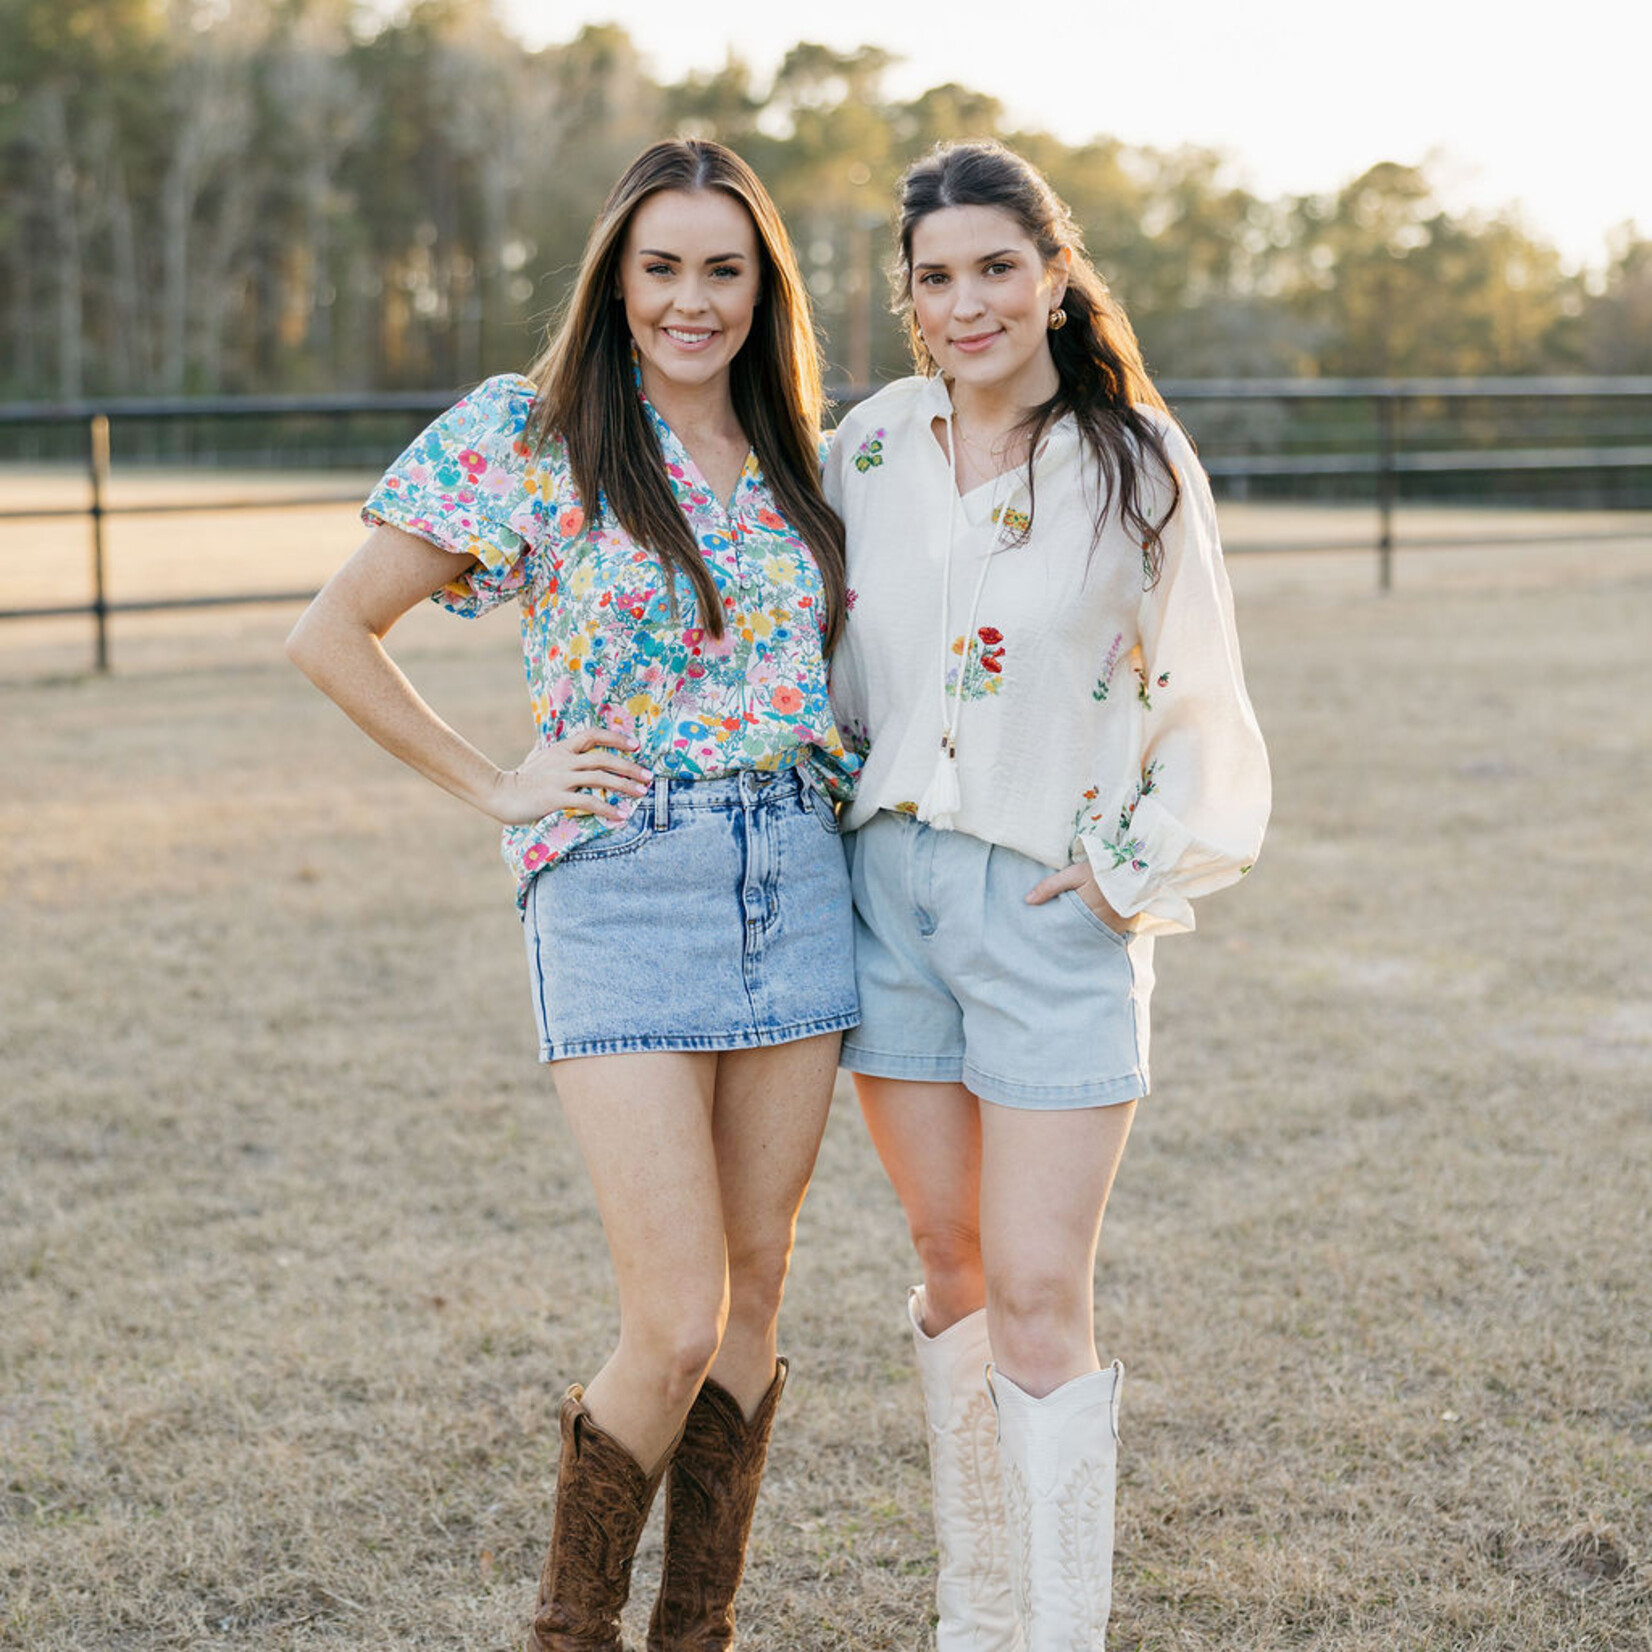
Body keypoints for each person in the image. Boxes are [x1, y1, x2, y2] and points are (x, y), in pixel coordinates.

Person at [286, 138, 858, 1652]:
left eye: (723, 270)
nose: (691, 300)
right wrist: (497, 782)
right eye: (660, 267)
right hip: (617, 882)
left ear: (763, 286)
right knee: (673, 1321)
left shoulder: (807, 443)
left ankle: (699, 1633)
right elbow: (334, 634)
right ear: (616, 276)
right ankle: (571, 1635)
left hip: (797, 872)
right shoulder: (527, 435)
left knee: (752, 1305)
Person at [823, 140, 1271, 1650]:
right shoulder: (869, 447)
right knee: (945, 1266)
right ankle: (979, 1615)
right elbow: (808, 657)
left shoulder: (1133, 460)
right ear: (909, 296)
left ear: (1054, 272)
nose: (969, 303)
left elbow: (1204, 689)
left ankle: (1057, 1636)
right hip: (888, 906)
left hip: (1048, 914)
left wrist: (1125, 873)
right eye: (936, 277)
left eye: (997, 268)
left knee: (1031, 1286)